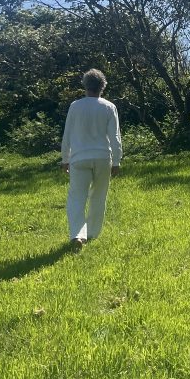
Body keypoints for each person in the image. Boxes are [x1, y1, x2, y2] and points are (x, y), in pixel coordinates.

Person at [61, 68, 123, 250]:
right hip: (103, 157)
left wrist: (65, 158)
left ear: (85, 85)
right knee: (99, 196)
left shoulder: (75, 106)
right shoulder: (109, 107)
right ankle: (92, 233)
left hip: (79, 158)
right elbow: (115, 137)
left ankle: (78, 235)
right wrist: (117, 161)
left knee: (77, 197)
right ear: (103, 86)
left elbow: (67, 134)